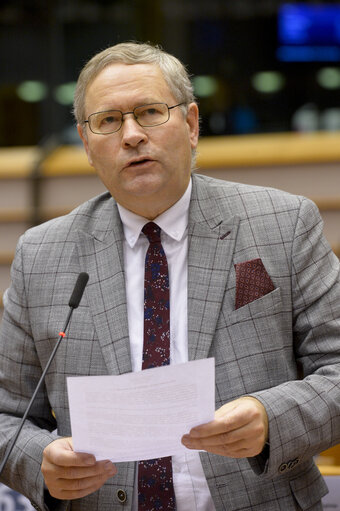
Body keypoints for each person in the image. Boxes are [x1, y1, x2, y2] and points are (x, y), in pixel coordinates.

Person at [0, 41, 340, 511]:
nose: (132, 135)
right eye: (109, 121)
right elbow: (6, 415)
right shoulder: (42, 255)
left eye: (150, 112)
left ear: (192, 124)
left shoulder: (283, 224)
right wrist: (41, 461)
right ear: (87, 143)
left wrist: (270, 419)